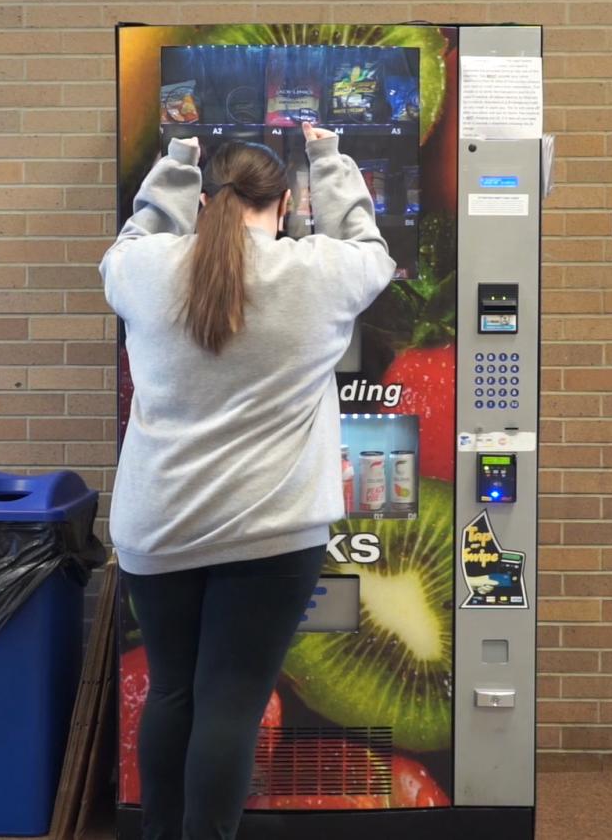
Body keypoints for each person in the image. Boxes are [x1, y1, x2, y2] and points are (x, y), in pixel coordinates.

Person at [98, 122, 395, 840]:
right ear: (285, 206)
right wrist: (327, 160)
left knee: (172, 694)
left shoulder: (145, 270)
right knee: (229, 703)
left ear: (205, 203)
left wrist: (174, 164)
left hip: (158, 529)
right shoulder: (315, 272)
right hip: (272, 535)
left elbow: (128, 244)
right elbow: (371, 253)